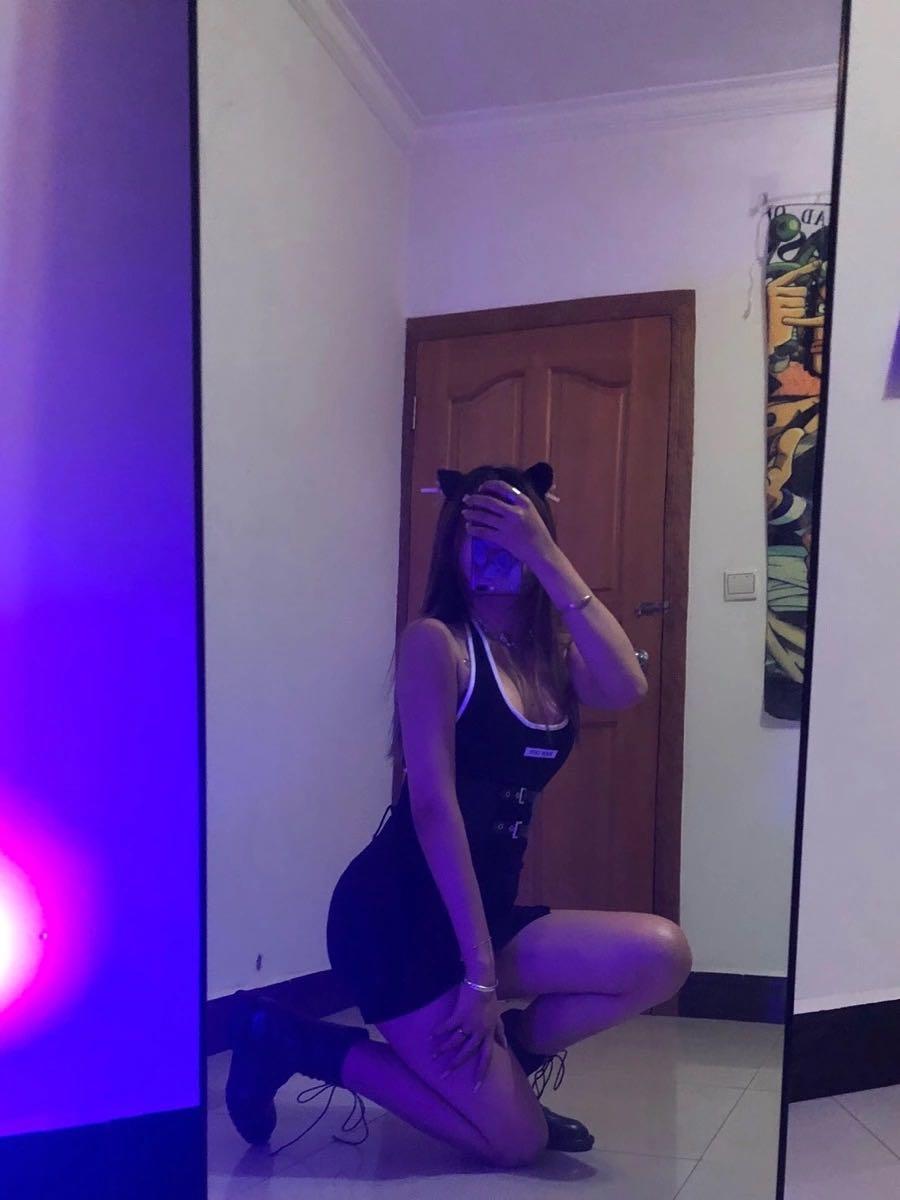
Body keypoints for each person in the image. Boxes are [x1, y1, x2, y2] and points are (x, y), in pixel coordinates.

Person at [225, 461, 693, 1169]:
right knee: (516, 1142)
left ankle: (512, 1072)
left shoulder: (552, 658)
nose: (492, 553)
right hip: (398, 922)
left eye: (511, 538)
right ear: (451, 547)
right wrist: (479, 975)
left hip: (481, 913)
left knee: (661, 955)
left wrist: (548, 555)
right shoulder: (436, 643)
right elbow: (432, 806)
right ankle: (287, 1037)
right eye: (477, 537)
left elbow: (628, 686)